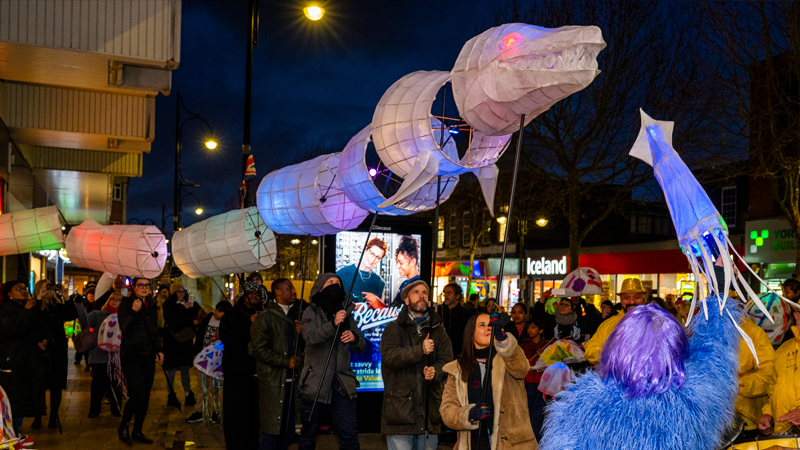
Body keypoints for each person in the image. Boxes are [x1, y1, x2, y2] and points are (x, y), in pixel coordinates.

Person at [539, 298, 745, 450]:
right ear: (676, 348)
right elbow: (716, 353)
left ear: (617, 345)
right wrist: (719, 298)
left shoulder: (581, 408)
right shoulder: (698, 398)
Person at [440, 311, 535, 450]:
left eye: (490, 325)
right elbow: (447, 411)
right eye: (482, 325)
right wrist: (469, 414)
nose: (488, 328)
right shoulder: (457, 369)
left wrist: (503, 339)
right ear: (471, 333)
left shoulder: (508, 359)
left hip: (511, 445)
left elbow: (522, 369)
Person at [381, 279, 453, 450]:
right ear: (406, 300)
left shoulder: (438, 331)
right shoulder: (393, 328)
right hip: (400, 412)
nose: (421, 296)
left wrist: (435, 372)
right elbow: (390, 356)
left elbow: (448, 362)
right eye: (416, 292)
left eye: (424, 293)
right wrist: (419, 351)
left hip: (429, 411)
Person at [299, 273, 366, 450]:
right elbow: (310, 337)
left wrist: (354, 338)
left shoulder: (347, 313)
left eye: (338, 283)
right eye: (330, 283)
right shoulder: (310, 312)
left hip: (342, 384)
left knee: (349, 435)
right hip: (316, 384)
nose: (335, 286)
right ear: (319, 288)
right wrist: (333, 325)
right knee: (308, 436)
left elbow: (362, 345)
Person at [251, 278, 304, 450]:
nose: (294, 291)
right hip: (273, 383)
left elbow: (305, 349)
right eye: (289, 288)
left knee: (288, 432)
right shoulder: (265, 318)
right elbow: (259, 350)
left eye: (293, 288)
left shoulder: (299, 316)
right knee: (271, 431)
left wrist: (302, 334)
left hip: (293, 382)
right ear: (278, 292)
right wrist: (285, 362)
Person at [117, 277, 164, 445]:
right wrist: (133, 311)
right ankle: (123, 426)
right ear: (134, 287)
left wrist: (158, 350)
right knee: (138, 393)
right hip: (131, 354)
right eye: (140, 285)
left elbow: (154, 330)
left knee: (145, 396)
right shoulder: (125, 304)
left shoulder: (151, 304)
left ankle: (138, 430)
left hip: (148, 354)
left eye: (146, 285)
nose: (144, 288)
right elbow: (124, 327)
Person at [220, 280, 265, 450]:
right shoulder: (232, 315)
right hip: (237, 372)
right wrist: (249, 323)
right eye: (250, 293)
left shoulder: (263, 312)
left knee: (254, 415)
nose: (254, 296)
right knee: (237, 414)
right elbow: (228, 338)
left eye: (257, 294)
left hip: (257, 372)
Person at [0, 281, 47, 436]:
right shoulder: (5, 310)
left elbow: (37, 327)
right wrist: (27, 310)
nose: (23, 291)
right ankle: (12, 434)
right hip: (13, 361)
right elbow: (15, 329)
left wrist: (43, 341)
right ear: (9, 293)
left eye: (24, 288)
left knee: (21, 399)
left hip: (26, 360)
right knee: (14, 400)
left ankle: (15, 433)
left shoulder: (24, 307)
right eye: (18, 288)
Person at [32, 280, 79, 430]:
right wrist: (39, 298)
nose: (48, 290)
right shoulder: (34, 305)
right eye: (45, 287)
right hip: (40, 348)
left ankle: (54, 416)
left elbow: (72, 315)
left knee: (56, 385)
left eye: (50, 287)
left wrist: (66, 297)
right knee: (39, 385)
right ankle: (38, 416)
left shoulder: (57, 306)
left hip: (57, 348)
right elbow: (34, 320)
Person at [758, 304, 800, 435]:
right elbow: (773, 388)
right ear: (796, 315)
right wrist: (768, 414)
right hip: (784, 436)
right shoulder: (784, 349)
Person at [583, 278, 647, 365]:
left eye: (637, 297)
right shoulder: (609, 324)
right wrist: (612, 354)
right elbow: (590, 350)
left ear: (644, 298)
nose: (632, 301)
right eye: (627, 298)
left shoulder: (656, 322)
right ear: (621, 300)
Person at [186, 300, 230, 424]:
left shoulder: (228, 322)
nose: (215, 312)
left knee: (214, 387)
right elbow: (200, 334)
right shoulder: (209, 318)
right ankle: (199, 411)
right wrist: (196, 352)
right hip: (205, 357)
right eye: (216, 309)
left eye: (219, 311)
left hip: (218, 359)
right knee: (202, 385)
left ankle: (214, 411)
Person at [162, 283, 201, 408]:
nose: (181, 294)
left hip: (185, 342)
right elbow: (172, 321)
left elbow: (192, 319)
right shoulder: (168, 305)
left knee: (185, 368)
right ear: (173, 293)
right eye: (178, 292)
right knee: (172, 370)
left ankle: (188, 393)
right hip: (172, 342)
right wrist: (183, 308)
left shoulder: (191, 304)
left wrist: (195, 322)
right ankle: (170, 395)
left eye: (183, 292)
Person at [735, 317, 775, 435]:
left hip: (749, 421)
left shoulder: (752, 333)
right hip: (715, 424)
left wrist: (739, 385)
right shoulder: (703, 334)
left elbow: (770, 373)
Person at [87, 293, 123, 418]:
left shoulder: (124, 317)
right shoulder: (97, 314)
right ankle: (94, 410)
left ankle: (116, 408)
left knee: (116, 384)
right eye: (113, 299)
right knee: (98, 384)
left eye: (118, 300)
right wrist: (79, 304)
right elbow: (84, 321)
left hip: (116, 357)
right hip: (99, 356)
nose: (114, 301)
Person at [336, 238, 387, 309]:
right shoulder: (342, 274)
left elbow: (379, 312)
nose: (373, 259)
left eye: (378, 257)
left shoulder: (380, 282)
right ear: (366, 249)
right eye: (372, 253)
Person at [519, 319, 548, 443]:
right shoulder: (524, 345)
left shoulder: (547, 345)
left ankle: (537, 442)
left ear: (541, 330)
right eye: (529, 327)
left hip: (542, 385)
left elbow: (550, 365)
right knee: (526, 414)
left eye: (533, 327)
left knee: (538, 415)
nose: (529, 330)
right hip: (528, 382)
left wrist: (544, 356)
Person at [437, 282, 473, 358]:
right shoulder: (438, 311)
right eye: (445, 293)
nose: (446, 295)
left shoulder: (466, 313)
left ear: (457, 296)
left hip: (459, 353)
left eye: (449, 293)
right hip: (441, 352)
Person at [390, 236, 421, 308]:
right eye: (396, 262)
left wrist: (378, 304)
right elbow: (393, 309)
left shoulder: (417, 284)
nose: (397, 266)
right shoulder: (404, 284)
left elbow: (402, 314)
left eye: (400, 263)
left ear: (413, 261)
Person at [74, 287, 95, 366]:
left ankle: (87, 363)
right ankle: (80, 360)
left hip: (93, 327)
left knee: (89, 346)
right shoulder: (84, 304)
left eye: (93, 297)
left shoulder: (97, 304)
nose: (91, 298)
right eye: (90, 296)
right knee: (84, 344)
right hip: (84, 327)